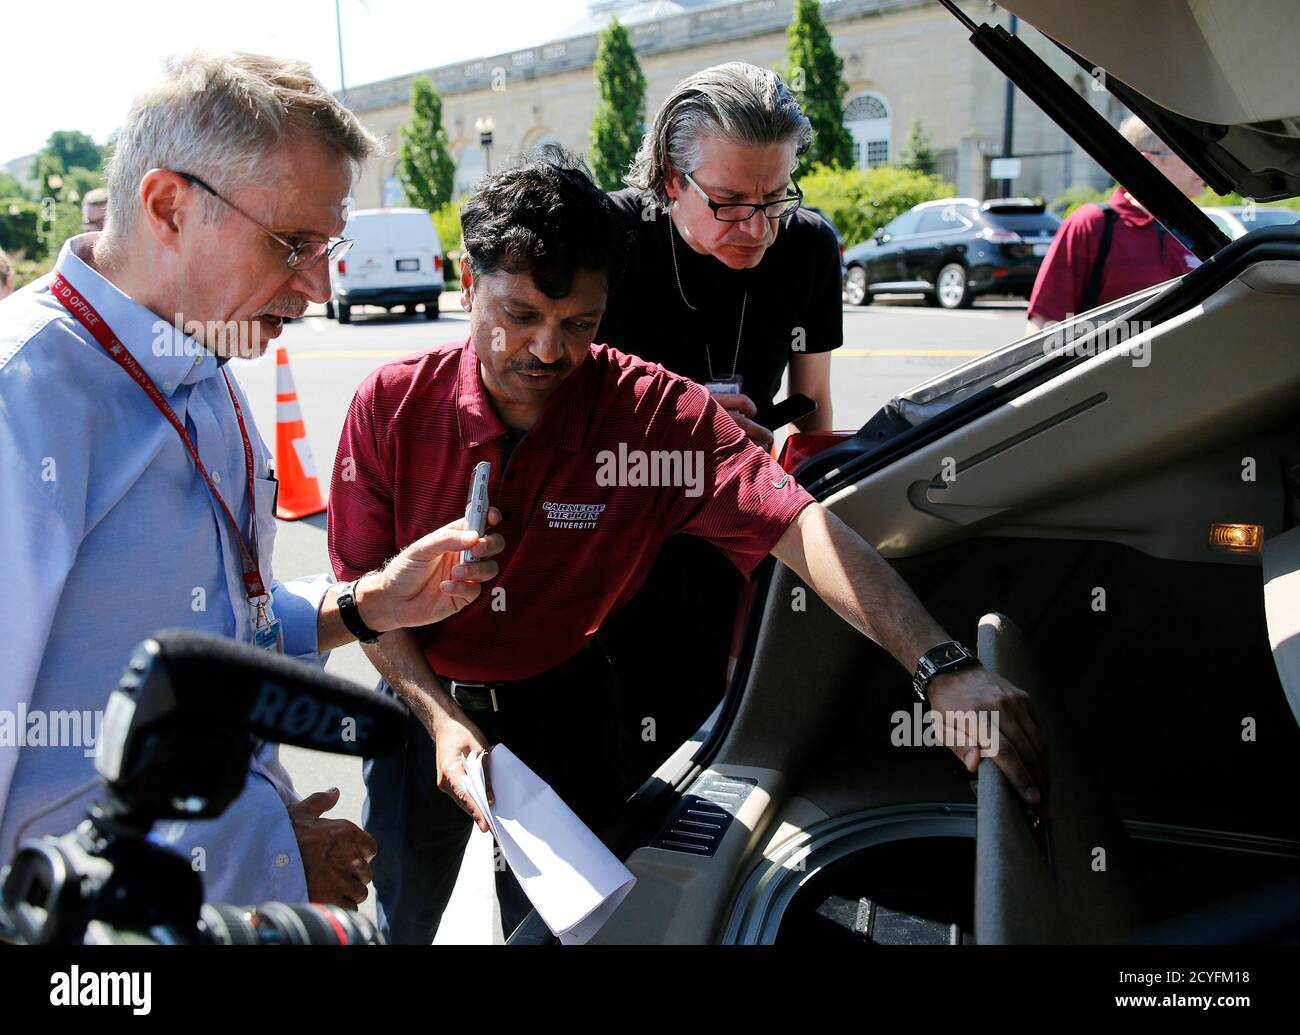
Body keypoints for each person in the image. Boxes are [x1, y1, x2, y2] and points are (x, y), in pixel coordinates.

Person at [328, 148, 1047, 945]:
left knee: (589, 925)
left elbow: (801, 528)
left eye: (579, 324)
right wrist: (438, 719)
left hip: (564, 708)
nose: (544, 351)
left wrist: (942, 667)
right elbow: (364, 597)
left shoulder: (653, 416)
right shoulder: (390, 408)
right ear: (468, 285)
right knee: (402, 918)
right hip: (415, 707)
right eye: (519, 315)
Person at [0, 50, 504, 910]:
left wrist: (374, 601)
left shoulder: (205, 361)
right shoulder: (25, 399)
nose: (316, 283)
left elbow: (224, 623)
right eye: (291, 243)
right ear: (168, 206)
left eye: (327, 244)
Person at [595, 61, 845, 775]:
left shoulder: (808, 246)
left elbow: (815, 408)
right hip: (611, 531)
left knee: (710, 727)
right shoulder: (613, 239)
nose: (757, 227)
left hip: (727, 528)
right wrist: (678, 419)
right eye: (730, 201)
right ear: (671, 180)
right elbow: (542, 400)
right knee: (613, 739)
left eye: (774, 198)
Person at [1025, 116, 1204, 335]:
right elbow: (1045, 324)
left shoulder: (1200, 232)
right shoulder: (1094, 224)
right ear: (1149, 162)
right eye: (1188, 153)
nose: (1202, 163)